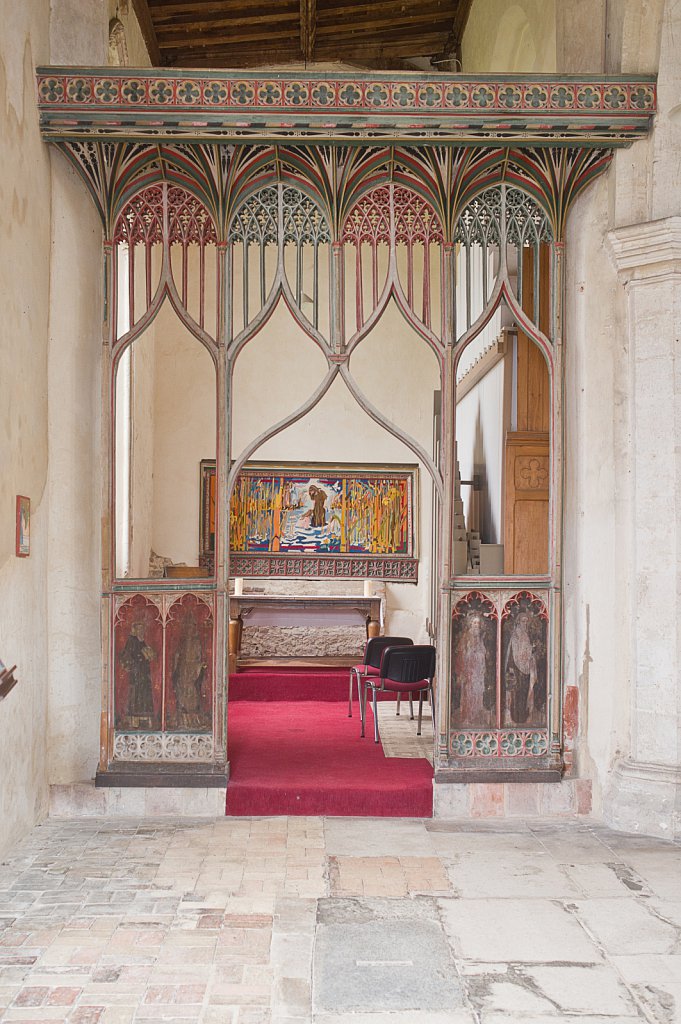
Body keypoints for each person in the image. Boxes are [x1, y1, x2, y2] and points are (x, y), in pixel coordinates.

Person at [453, 611, 495, 727]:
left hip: (478, 669)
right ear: (470, 624)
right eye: (474, 623)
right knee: (468, 692)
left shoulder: (480, 637)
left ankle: (476, 715)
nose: (476, 625)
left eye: (478, 623)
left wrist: (483, 655)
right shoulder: (466, 637)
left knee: (478, 691)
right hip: (468, 669)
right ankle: (467, 716)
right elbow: (461, 654)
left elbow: (484, 652)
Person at [171, 613, 208, 729]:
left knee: (192, 693)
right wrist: (176, 667)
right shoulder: (182, 641)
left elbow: (198, 657)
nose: (190, 629)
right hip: (183, 669)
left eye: (192, 626)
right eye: (187, 626)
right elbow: (178, 655)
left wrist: (199, 666)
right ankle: (183, 720)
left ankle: (194, 719)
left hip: (193, 669)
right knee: (183, 692)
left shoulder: (196, 642)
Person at [119, 620, 155, 727]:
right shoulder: (132, 640)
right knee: (136, 694)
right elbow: (127, 655)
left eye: (142, 628)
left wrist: (149, 654)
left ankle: (145, 719)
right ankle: (134, 720)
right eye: (139, 628)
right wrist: (140, 657)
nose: (141, 631)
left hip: (144, 672)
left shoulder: (142, 641)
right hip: (136, 672)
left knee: (145, 694)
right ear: (135, 629)